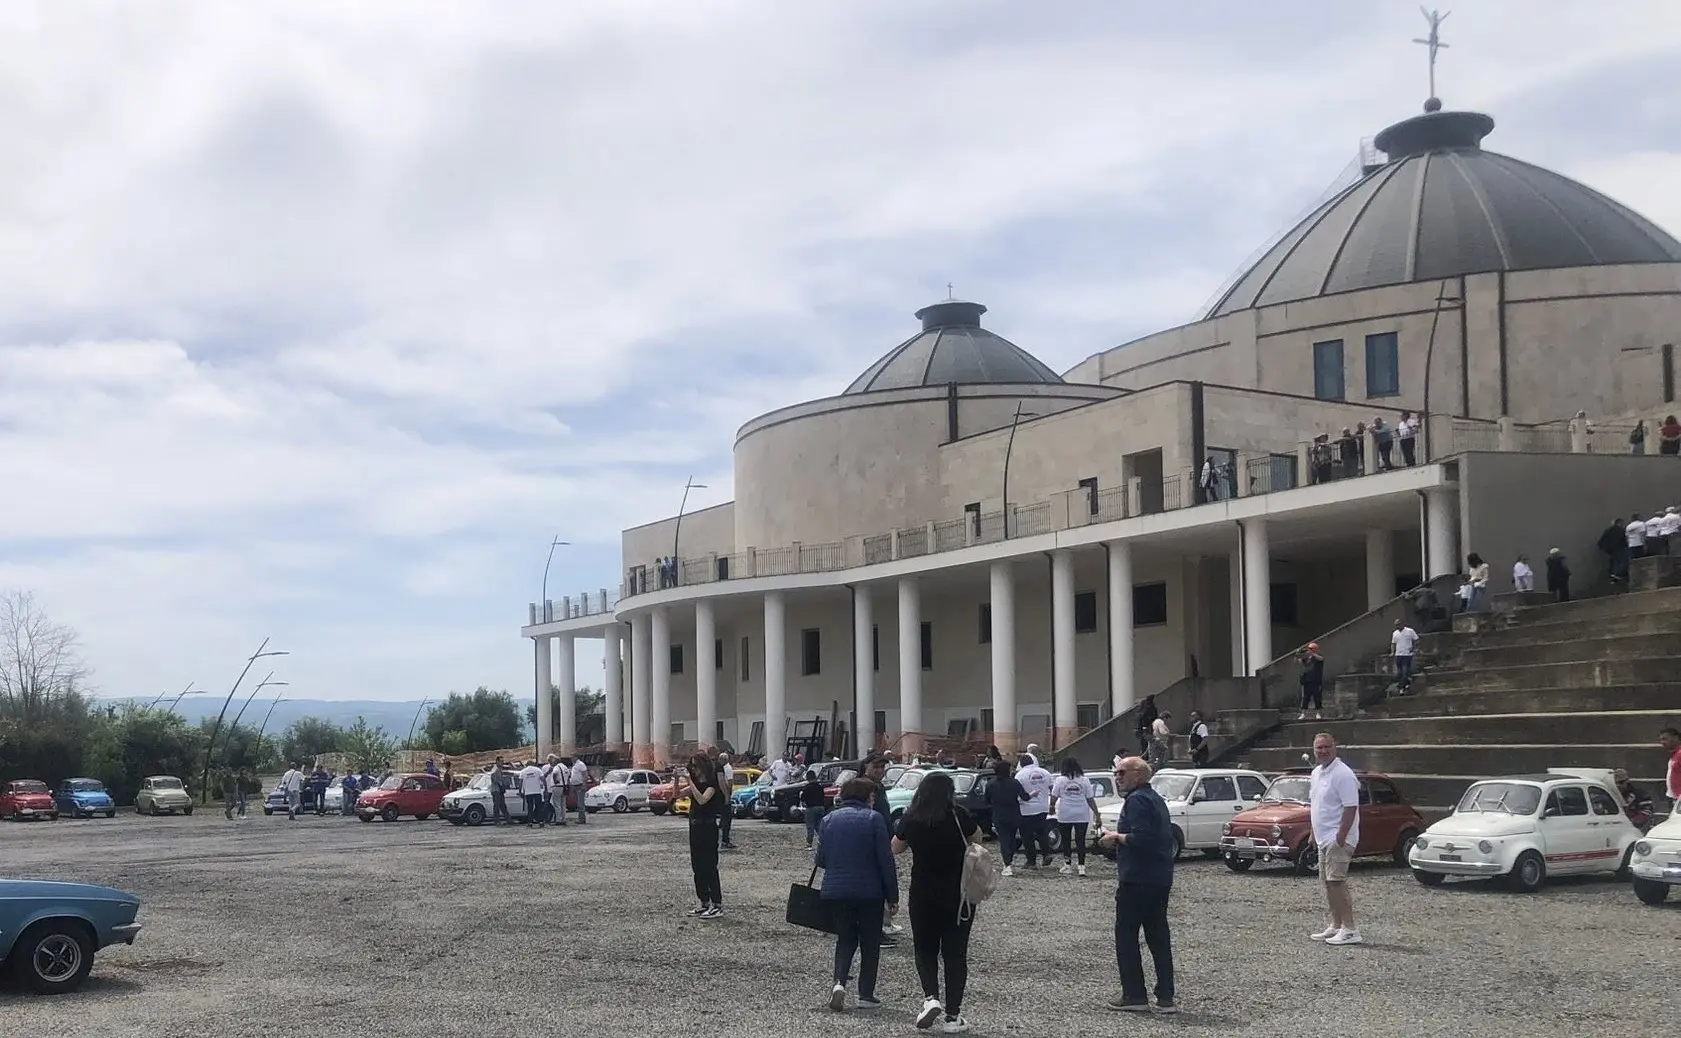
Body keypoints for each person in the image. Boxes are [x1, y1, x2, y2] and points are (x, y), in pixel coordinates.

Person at [891, 770, 981, 1033]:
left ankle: (931, 997)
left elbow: (895, 847)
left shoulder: (912, 817)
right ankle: (953, 1016)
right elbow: (977, 839)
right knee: (955, 954)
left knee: (924, 948)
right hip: (958, 895)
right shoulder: (958, 815)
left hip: (923, 892)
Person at [1097, 756, 1175, 1014]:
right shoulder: (1155, 799)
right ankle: (1166, 997)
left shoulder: (1138, 800)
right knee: (1158, 936)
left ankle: (1134, 995)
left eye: (1122, 773)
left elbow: (1143, 838)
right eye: (1116, 773)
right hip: (1159, 878)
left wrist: (1115, 837)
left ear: (1139, 775)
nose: (1117, 777)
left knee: (1127, 936)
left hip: (1137, 878)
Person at [815, 777, 898, 1013]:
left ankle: (839, 983)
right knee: (870, 942)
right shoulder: (874, 819)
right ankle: (865, 994)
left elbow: (820, 859)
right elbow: (885, 860)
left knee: (845, 938)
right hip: (869, 891)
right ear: (865, 797)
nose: (874, 799)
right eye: (872, 795)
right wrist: (892, 895)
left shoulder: (829, 819)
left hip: (835, 890)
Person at [1308, 733, 1362, 946]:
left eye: (1326, 747)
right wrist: (1313, 832)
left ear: (1335, 748)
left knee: (1337, 882)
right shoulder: (1316, 773)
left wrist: (1341, 836)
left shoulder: (1344, 774)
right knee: (1328, 883)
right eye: (1319, 747)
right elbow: (1315, 805)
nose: (1322, 751)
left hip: (1337, 838)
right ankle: (1336, 925)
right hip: (1323, 838)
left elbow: (1350, 807)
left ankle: (1350, 929)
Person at [684, 754, 725, 919]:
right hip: (695, 827)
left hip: (708, 827)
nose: (694, 769)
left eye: (696, 766)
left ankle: (717, 903)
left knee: (709, 866)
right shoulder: (695, 783)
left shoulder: (711, 784)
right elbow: (676, 794)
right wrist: (676, 779)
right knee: (697, 866)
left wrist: (689, 782)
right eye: (692, 766)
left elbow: (702, 800)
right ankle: (703, 901)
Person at [1050, 757, 1100, 876]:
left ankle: (1067, 865)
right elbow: (1090, 799)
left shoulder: (1060, 780)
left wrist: (1051, 806)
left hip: (1065, 813)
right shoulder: (1084, 780)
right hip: (1081, 813)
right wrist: (1097, 814)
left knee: (1066, 840)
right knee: (1080, 840)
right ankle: (1081, 866)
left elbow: (1054, 796)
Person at [985, 759, 1027, 877]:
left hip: (999, 814)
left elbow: (986, 801)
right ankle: (1009, 860)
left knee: (1004, 839)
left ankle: (1007, 864)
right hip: (1013, 813)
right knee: (1012, 838)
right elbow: (1024, 797)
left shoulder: (990, 784)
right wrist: (1032, 795)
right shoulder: (1015, 783)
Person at [1015, 753, 1053, 874]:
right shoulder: (1045, 772)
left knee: (1027, 836)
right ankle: (1046, 853)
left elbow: (1017, 792)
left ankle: (1031, 861)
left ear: (1021, 764)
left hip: (1026, 809)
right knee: (1042, 832)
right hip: (1043, 807)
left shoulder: (1020, 775)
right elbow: (1053, 788)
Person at [800, 769, 827, 849]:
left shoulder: (806, 788)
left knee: (810, 826)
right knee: (819, 825)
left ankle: (809, 844)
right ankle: (823, 841)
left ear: (808, 778)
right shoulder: (820, 787)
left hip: (811, 808)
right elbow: (823, 796)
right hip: (821, 807)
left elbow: (803, 798)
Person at [1390, 619, 1418, 694]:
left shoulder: (1410, 631)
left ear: (1402, 624)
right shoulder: (1395, 633)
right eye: (1396, 625)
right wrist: (1392, 652)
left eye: (1398, 624)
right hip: (1398, 655)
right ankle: (1408, 682)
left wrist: (1414, 648)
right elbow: (1393, 643)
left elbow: (1416, 640)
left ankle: (1401, 687)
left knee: (1404, 670)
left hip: (1407, 654)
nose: (1397, 626)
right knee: (1400, 672)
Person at [1298, 643, 1324, 720]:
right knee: (1305, 698)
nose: (1309, 650)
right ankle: (1303, 713)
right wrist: (1299, 653)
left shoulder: (1318, 657)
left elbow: (1321, 659)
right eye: (1309, 648)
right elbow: (1298, 661)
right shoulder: (1306, 658)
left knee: (1317, 697)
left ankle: (1318, 713)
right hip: (1307, 680)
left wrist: (1312, 654)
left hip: (1316, 680)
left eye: (1311, 648)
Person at [717, 752, 736, 848]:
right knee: (726, 819)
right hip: (724, 796)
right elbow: (729, 782)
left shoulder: (726, 768)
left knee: (724, 819)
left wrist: (727, 795)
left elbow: (729, 782)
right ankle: (725, 840)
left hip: (723, 795)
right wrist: (727, 796)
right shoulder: (726, 768)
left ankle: (724, 839)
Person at [1662, 727, 1681, 814]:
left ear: (1675, 738)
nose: (1662, 742)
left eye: (1665, 739)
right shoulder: (1675, 755)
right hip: (1674, 798)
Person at [490, 758, 511, 825]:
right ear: (497, 761)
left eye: (503, 761)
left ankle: (508, 820)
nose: (502, 763)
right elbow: (494, 779)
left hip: (499, 790)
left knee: (502, 805)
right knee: (497, 805)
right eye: (501, 761)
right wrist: (501, 785)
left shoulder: (499, 769)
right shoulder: (495, 769)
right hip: (496, 790)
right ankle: (497, 821)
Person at [570, 756, 590, 824]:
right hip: (575, 785)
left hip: (580, 785)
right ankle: (580, 818)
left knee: (580, 803)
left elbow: (585, 774)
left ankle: (582, 819)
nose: (571, 758)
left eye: (572, 757)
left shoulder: (581, 764)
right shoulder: (574, 765)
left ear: (576, 757)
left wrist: (584, 784)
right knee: (578, 803)